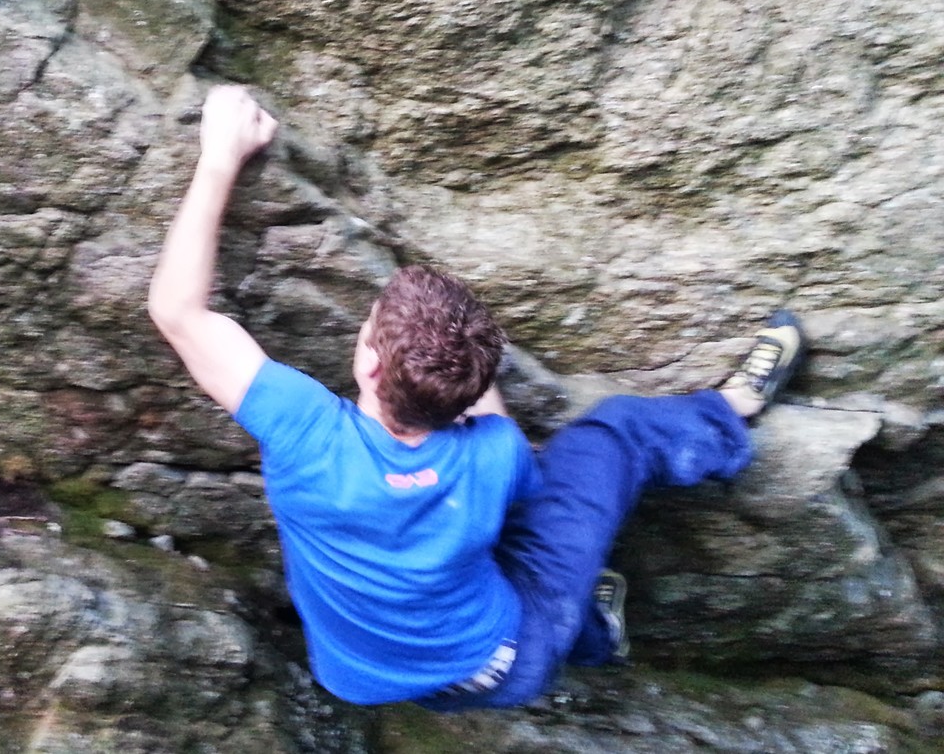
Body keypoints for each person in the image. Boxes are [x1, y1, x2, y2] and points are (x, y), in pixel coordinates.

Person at [147, 84, 807, 710]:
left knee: (514, 552)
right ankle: (727, 417)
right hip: (506, 660)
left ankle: (598, 625)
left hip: (367, 675)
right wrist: (460, 348)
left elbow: (177, 311)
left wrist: (219, 156)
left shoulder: (304, 435)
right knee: (616, 434)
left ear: (369, 364)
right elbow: (510, 466)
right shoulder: (495, 451)